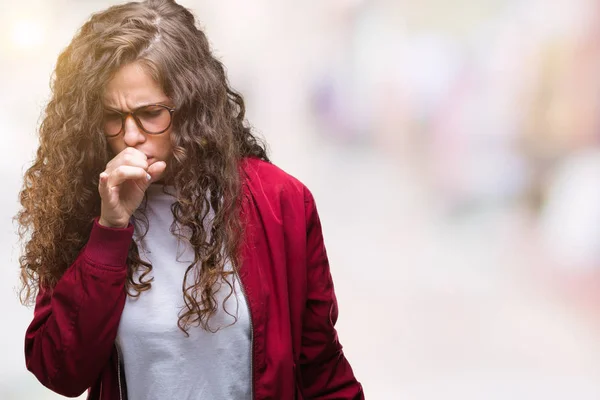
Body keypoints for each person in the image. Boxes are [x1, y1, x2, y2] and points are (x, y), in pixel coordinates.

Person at [15, 0, 364, 399]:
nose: (130, 136)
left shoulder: (281, 201)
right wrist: (110, 230)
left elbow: (322, 369)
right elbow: (59, 371)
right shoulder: (85, 204)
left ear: (192, 105)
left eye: (151, 114)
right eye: (114, 117)